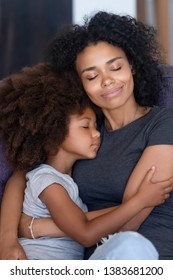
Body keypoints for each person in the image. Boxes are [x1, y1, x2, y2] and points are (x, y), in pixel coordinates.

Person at [1, 11, 173, 260]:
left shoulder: (162, 123)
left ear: (132, 65)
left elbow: (129, 221)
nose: (107, 81)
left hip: (143, 256)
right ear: (79, 83)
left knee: (129, 245)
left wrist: (37, 226)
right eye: (92, 76)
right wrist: (6, 238)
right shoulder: (85, 137)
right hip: (92, 261)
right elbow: (24, 175)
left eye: (115, 67)